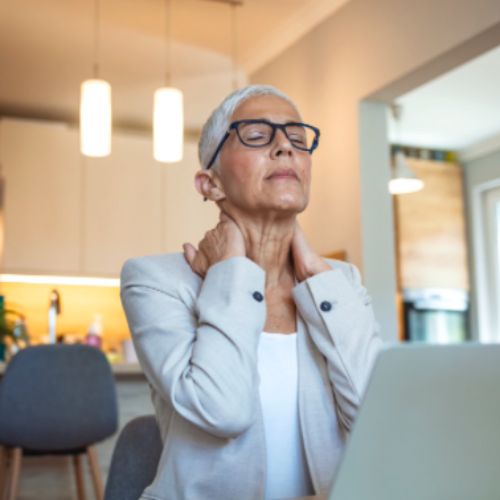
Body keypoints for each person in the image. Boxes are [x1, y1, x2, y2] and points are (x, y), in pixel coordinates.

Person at [120, 84, 382, 500]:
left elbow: (375, 422)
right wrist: (230, 273)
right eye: (257, 135)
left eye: (298, 138)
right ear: (210, 183)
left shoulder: (341, 282)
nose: (285, 147)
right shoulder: (155, 280)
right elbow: (223, 411)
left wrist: (315, 272)